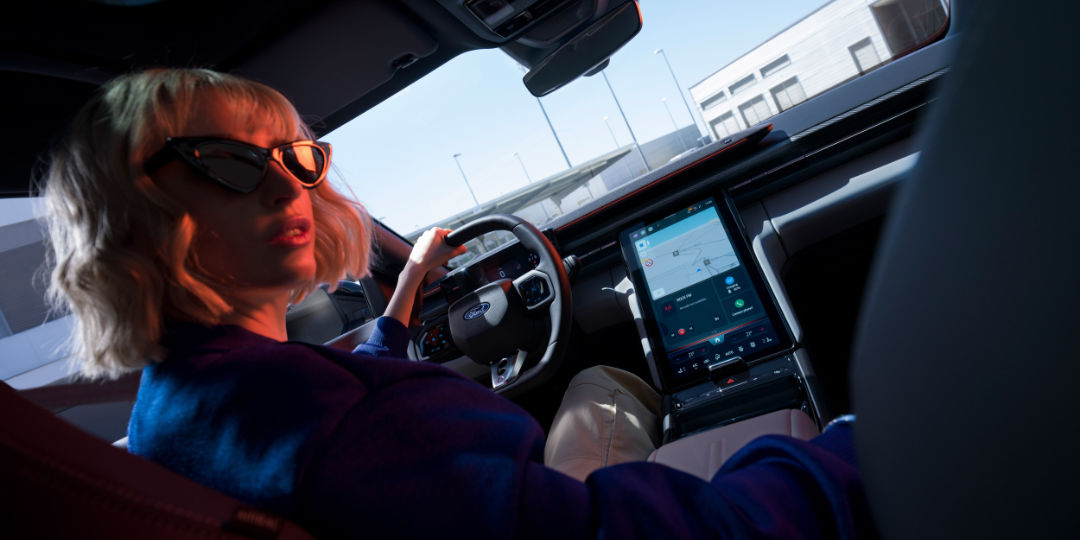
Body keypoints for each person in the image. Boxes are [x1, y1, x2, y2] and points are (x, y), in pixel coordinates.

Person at [42, 68, 873, 539]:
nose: (281, 184)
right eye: (226, 160)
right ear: (129, 212)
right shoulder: (346, 424)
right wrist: (852, 453)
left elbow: (340, 425)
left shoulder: (190, 405)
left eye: (296, 159)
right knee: (604, 383)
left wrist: (402, 307)